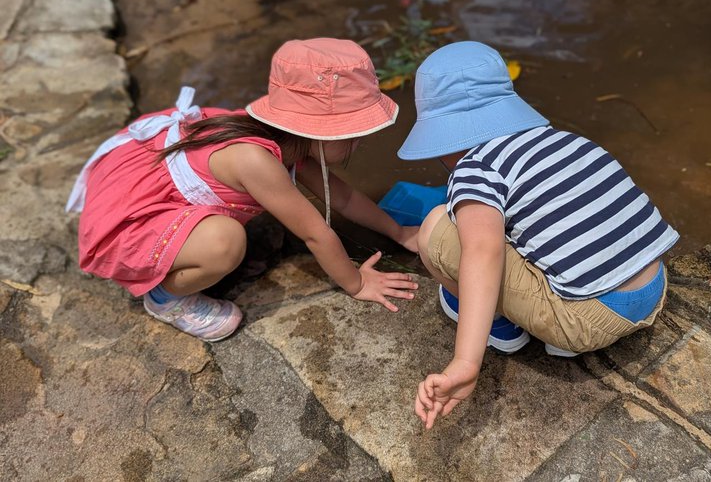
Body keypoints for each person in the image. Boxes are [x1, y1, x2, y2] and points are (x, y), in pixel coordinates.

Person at [398, 41, 679, 429]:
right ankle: (559, 322)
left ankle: (502, 328)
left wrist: (465, 361)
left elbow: (483, 251)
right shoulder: (567, 141)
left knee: (434, 228)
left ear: (443, 136)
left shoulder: (475, 169)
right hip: (652, 287)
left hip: (589, 317)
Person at [66, 38, 420, 341]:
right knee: (225, 243)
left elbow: (343, 198)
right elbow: (316, 234)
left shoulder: (289, 140)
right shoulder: (254, 160)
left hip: (152, 181)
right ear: (318, 131)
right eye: (354, 134)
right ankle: (165, 298)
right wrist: (356, 283)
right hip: (133, 217)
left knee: (233, 235)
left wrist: (400, 232)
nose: (360, 143)